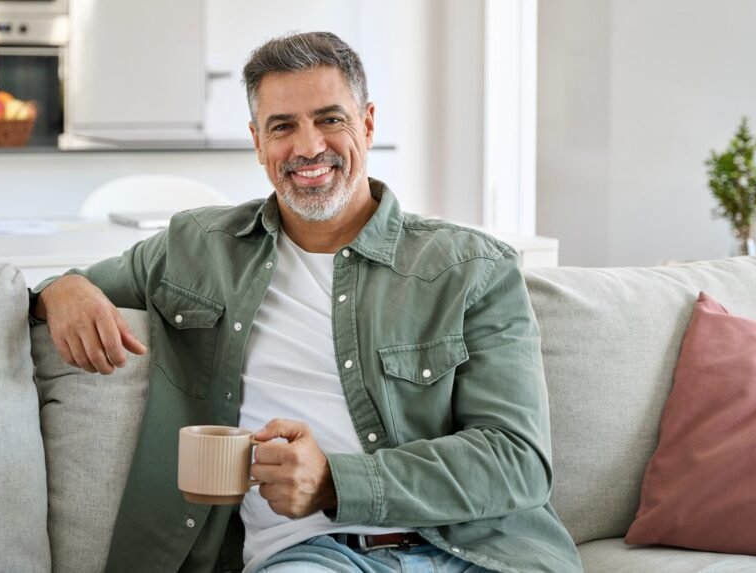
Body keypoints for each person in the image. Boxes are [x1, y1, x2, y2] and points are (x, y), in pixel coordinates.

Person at [31, 31, 581, 573]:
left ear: (366, 123)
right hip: (314, 558)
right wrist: (62, 289)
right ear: (257, 142)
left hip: (482, 554)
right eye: (282, 126)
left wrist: (333, 482)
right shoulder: (196, 249)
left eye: (330, 119)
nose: (309, 146)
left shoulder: (474, 269)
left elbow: (518, 462)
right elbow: (60, 289)